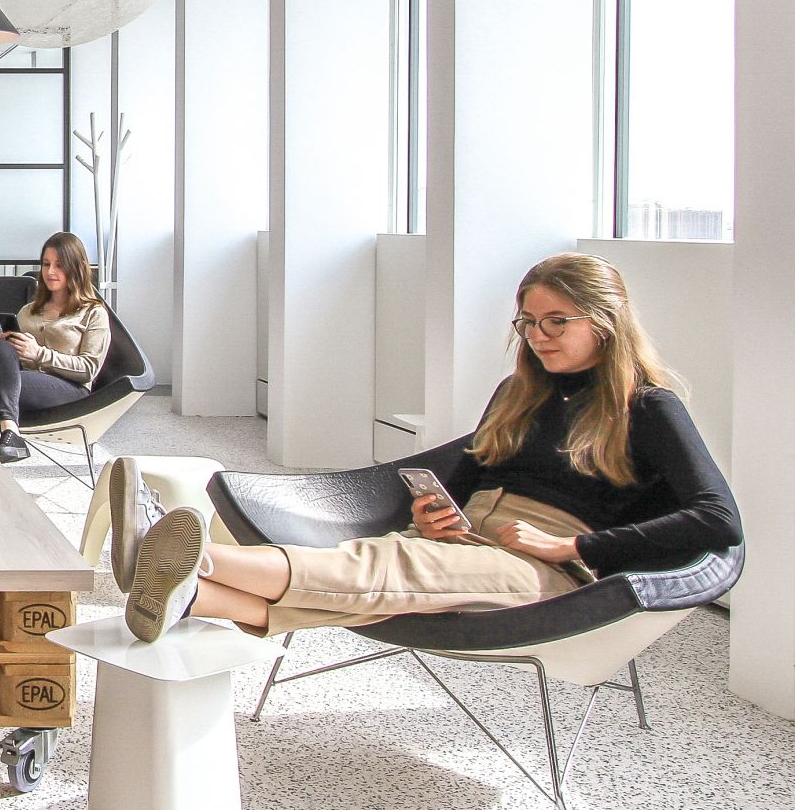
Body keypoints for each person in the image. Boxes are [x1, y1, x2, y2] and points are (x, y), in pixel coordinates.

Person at [114, 252, 743, 643]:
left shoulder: (647, 407)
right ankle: (189, 594)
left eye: (558, 322)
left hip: (547, 568)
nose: (539, 336)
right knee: (380, 578)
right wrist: (436, 512)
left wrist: (574, 547)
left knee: (377, 569)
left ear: (604, 323)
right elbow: (469, 473)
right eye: (528, 322)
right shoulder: (519, 393)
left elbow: (718, 519)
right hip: (469, 537)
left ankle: (177, 556)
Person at [0, 231, 112, 464]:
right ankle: (9, 436)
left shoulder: (93, 312)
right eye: (46, 264)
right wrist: (11, 350)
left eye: (59, 265)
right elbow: (14, 363)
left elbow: (89, 369)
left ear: (77, 267)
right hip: (24, 382)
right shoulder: (28, 311)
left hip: (70, 388)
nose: (50, 272)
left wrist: (38, 353)